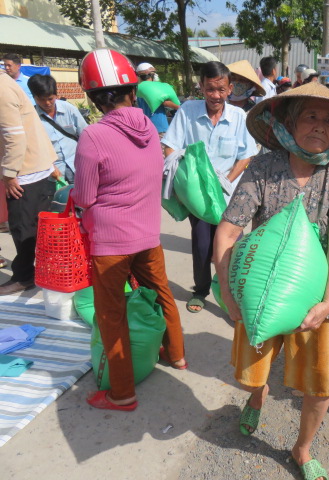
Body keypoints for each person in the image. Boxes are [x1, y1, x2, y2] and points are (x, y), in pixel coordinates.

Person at [212, 82, 329, 480]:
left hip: (319, 295)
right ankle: (257, 397)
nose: (320, 125)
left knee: (320, 384)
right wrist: (228, 293)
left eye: (328, 120)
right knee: (253, 372)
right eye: (310, 116)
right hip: (261, 290)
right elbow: (228, 231)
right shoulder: (263, 168)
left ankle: (302, 449)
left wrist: (328, 300)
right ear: (288, 122)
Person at [72, 49, 187, 411]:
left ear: (94, 99)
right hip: (148, 235)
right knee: (162, 292)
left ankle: (121, 394)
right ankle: (177, 355)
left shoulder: (93, 136)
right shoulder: (150, 129)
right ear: (133, 91)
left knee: (112, 314)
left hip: (110, 243)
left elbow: (85, 196)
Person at [162, 61, 258, 313]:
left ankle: (235, 293)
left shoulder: (239, 117)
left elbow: (246, 155)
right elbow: (170, 147)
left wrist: (225, 181)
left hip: (229, 196)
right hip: (199, 198)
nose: (216, 95)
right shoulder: (188, 111)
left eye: (221, 89)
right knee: (202, 245)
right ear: (201, 87)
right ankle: (201, 290)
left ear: (230, 89)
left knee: (233, 246)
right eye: (210, 89)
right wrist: (185, 181)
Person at [0, 64, 57, 295]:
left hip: (25, 171)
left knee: (23, 228)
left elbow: (14, 136)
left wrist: (9, 174)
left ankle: (24, 277)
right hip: (33, 167)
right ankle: (40, 271)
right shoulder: (5, 84)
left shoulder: (2, 89)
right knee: (33, 227)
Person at [27, 74, 87, 183]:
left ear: (56, 95)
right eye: (41, 99)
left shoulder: (69, 109)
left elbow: (86, 134)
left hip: (78, 164)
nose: (47, 103)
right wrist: (49, 166)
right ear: (34, 97)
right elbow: (33, 148)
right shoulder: (31, 117)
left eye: (50, 99)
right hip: (54, 172)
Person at [135, 62, 180, 138]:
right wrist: (180, 107)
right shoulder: (153, 89)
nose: (156, 75)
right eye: (154, 73)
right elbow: (165, 102)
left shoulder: (139, 88)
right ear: (150, 75)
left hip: (146, 127)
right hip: (159, 127)